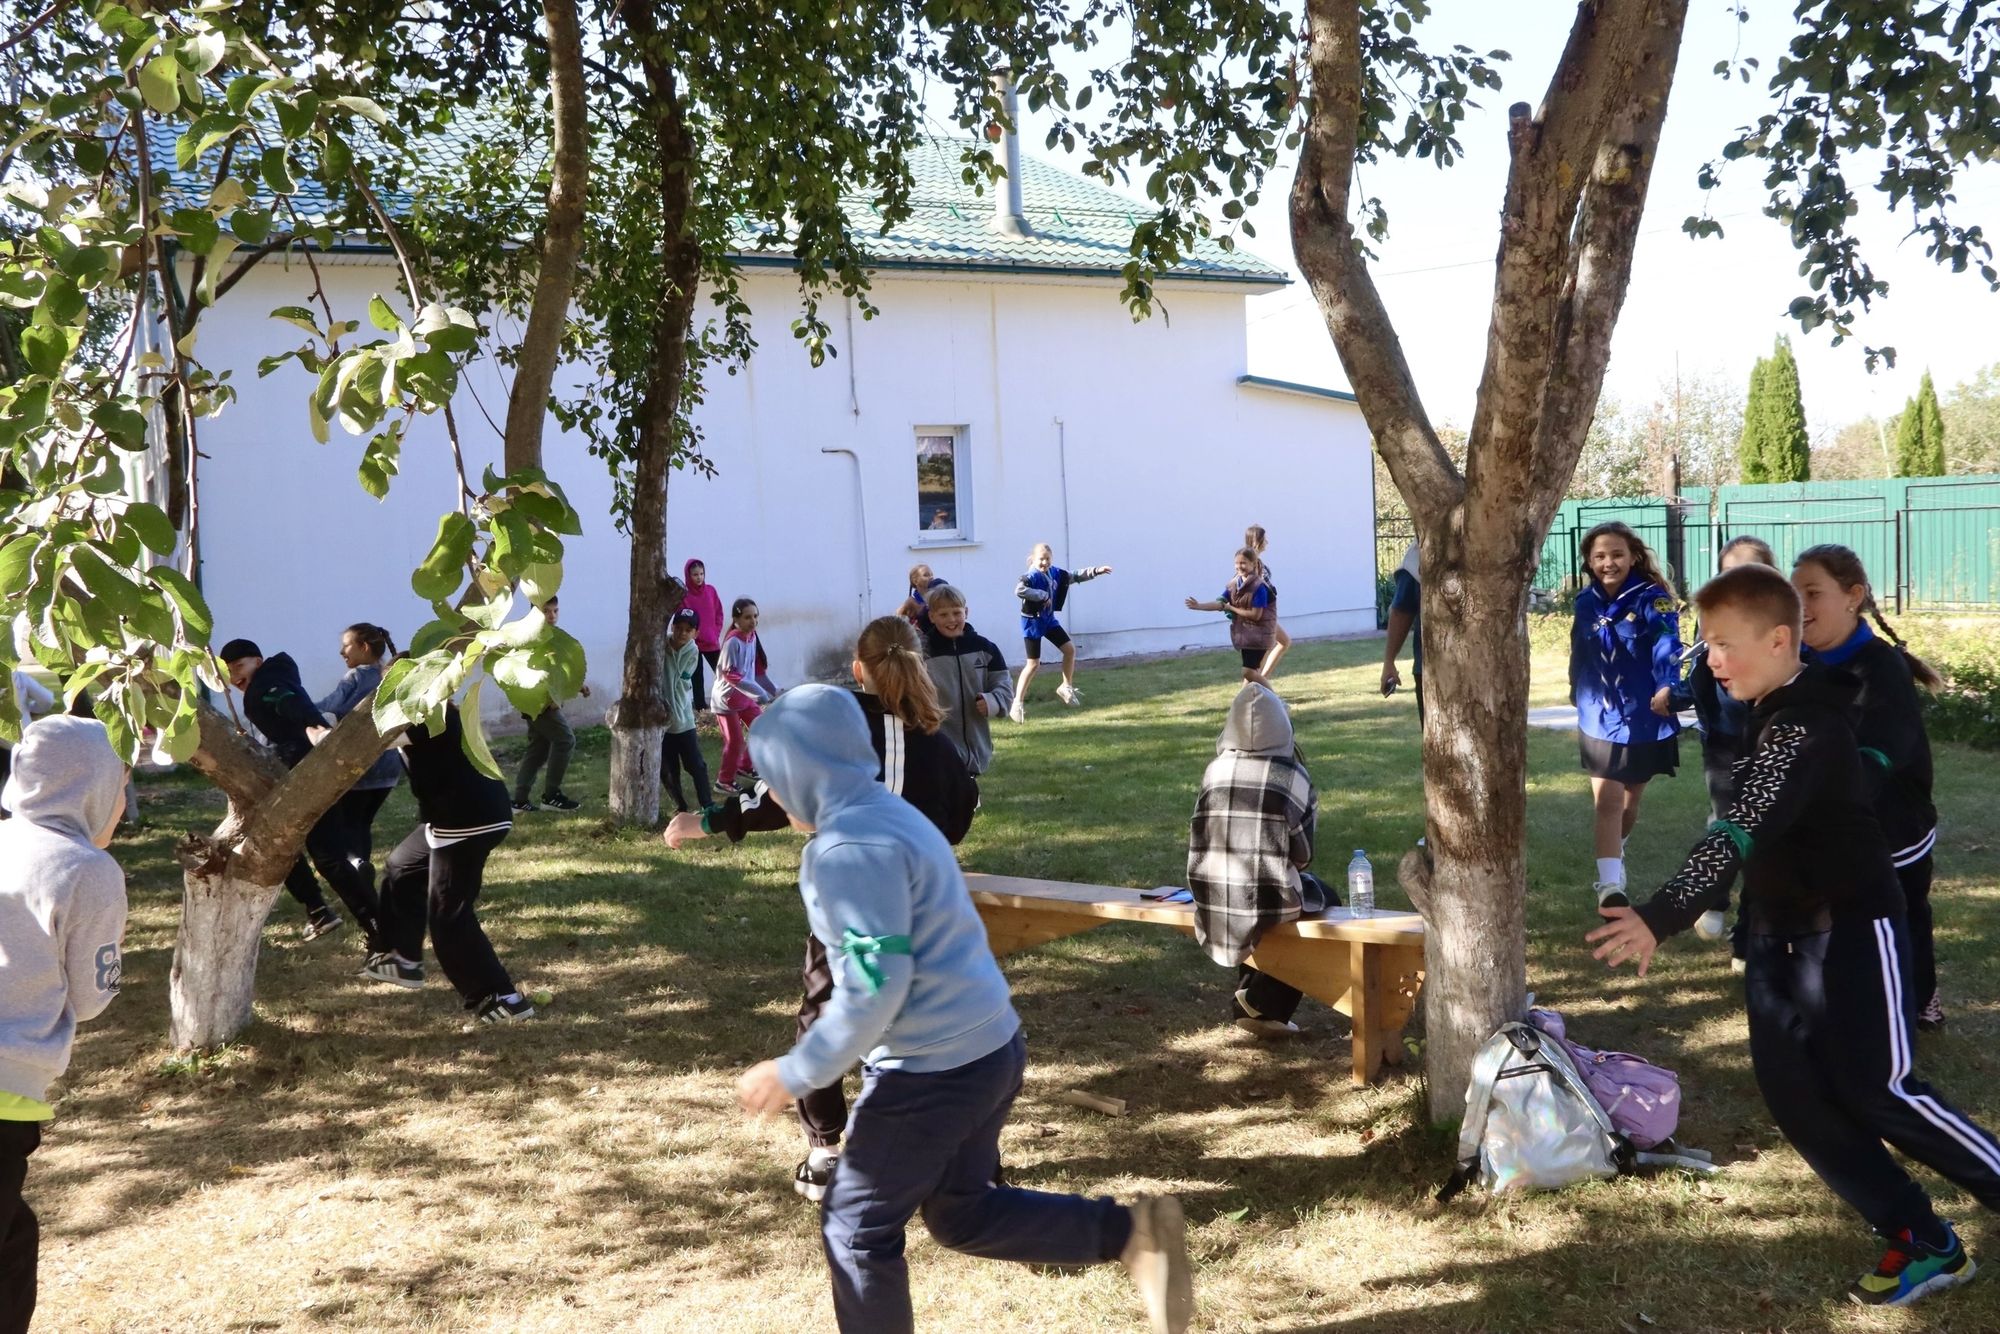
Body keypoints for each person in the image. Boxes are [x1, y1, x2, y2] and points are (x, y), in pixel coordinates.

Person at [1588, 563, 2000, 1310]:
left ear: (1780, 640)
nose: (1711, 660)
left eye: (1724, 644)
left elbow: (1740, 828)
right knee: (1798, 1096)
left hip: (1852, 928)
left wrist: (1663, 912)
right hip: (1777, 933)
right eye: (1706, 644)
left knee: (1881, 1092)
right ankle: (1922, 1237)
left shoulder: (1805, 723)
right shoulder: (1768, 707)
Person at [732, 685, 1193, 1334]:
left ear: (805, 775)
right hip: (991, 1048)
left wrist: (796, 1072)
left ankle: (1129, 1233)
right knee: (961, 1213)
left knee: (855, 1228)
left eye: (774, 777)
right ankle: (1131, 1232)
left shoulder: (844, 853)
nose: (771, 794)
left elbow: (874, 987)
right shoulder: (892, 814)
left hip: (932, 1072)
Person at [666, 616, 977, 1202]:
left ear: (858, 669)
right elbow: (960, 818)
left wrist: (704, 820)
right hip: (929, 909)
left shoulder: (840, 736)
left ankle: (828, 1149)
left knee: (828, 1013)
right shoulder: (940, 744)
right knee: (931, 1024)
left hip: (853, 907)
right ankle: (963, 1154)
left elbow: (777, 794)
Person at [0, 715, 129, 1332]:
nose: (123, 803)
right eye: (121, 786)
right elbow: (91, 996)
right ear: (93, 787)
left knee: (14, 1246)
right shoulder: (87, 870)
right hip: (5, 1092)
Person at [1793, 544, 1946, 1031]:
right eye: (1794, 594)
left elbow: (1881, 753)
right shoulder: (1802, 662)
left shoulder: (1881, 668)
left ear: (1853, 596)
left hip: (1894, 827)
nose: (1800, 605)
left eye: (1812, 592)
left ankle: (1921, 1000)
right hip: (1837, 824)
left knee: (1903, 915)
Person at [361, 701, 533, 1025]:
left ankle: (503, 998)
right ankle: (402, 958)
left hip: (467, 820)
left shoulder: (428, 712)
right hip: (456, 817)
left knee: (449, 916)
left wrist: (316, 729)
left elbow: (370, 742)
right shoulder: (436, 710)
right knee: (401, 866)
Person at [1187, 682, 1333, 1038]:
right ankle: (1264, 1001)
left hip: (1210, 893)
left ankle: (1252, 1002)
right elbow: (1303, 855)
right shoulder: (1292, 776)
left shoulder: (1214, 772)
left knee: (1259, 900)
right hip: (1267, 897)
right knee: (1324, 901)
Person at [219, 638, 379, 943]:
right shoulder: (270, 678)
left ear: (258, 661)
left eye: (239, 666)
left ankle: (378, 926)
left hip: (309, 774)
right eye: (228, 672)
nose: (235, 676)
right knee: (278, 844)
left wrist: (313, 726)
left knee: (326, 857)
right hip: (303, 771)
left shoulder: (267, 684)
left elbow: (288, 702)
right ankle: (322, 911)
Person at [1667, 536, 1775, 957]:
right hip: (1724, 741)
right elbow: (1700, 670)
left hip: (1770, 739)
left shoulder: (1784, 618)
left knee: (1766, 834)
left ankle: (1748, 936)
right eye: (1729, 572)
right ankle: (1714, 899)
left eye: (1748, 570)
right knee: (1727, 821)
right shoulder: (1711, 614)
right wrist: (1675, 698)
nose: (1737, 581)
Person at [1567, 522, 1682, 909]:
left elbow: (1668, 643)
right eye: (1599, 556)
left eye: (1617, 554)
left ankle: (1617, 851)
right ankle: (1609, 886)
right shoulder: (1585, 602)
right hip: (1599, 715)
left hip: (1643, 713)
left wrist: (1667, 685)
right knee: (1608, 802)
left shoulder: (1653, 599)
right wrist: (1574, 686)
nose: (1608, 563)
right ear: (1589, 561)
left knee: (1630, 802)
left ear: (1633, 557)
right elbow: (1579, 648)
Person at [312, 622, 404, 925]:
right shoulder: (387, 674)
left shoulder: (355, 677)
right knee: (363, 821)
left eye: (347, 645)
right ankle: (361, 864)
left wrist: (299, 710)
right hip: (389, 766)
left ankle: (356, 866)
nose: (342, 652)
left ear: (364, 647)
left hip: (359, 765)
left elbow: (330, 706)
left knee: (347, 822)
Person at [1009, 542, 1113, 722]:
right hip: (1033, 623)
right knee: (1033, 664)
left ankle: (1065, 687)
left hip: (1048, 621)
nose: (1045, 563)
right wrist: (1043, 595)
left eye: (1048, 559)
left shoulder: (1055, 573)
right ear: (1033, 559)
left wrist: (1096, 571)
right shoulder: (1030, 576)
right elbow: (1019, 590)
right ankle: (1017, 703)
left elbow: (1073, 576)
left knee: (1069, 650)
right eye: (1041, 559)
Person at [918, 583, 1013, 777]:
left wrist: (992, 702)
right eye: (943, 614)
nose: (951, 620)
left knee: (970, 793)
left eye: (956, 613)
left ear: (966, 612)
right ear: (932, 616)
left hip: (977, 748)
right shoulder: (922, 654)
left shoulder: (986, 649)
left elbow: (1004, 687)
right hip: (938, 748)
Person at [512, 595, 589, 813]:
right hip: (538, 704)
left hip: (540, 703)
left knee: (538, 749)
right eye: (546, 611)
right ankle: (551, 795)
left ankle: (519, 800)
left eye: (555, 611)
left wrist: (576, 686)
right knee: (565, 740)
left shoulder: (552, 636)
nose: (552, 616)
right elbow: (536, 673)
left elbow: (557, 671)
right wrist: (552, 698)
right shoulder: (532, 638)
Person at [1184, 548, 1276, 684]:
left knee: (1248, 672)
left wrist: (1231, 608)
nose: (1239, 566)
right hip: (1247, 635)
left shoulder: (1259, 587)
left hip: (1260, 635)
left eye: (1243, 563)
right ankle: (1256, 696)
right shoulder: (1234, 584)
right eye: (1237, 563)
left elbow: (1255, 615)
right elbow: (1221, 603)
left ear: (1253, 563)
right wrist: (1199, 606)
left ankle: (1273, 697)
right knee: (1251, 675)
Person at [715, 597, 779, 790]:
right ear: (736, 619)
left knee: (762, 728)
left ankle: (745, 766)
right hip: (726, 701)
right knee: (735, 742)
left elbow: (756, 671)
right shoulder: (733, 642)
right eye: (747, 617)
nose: (753, 621)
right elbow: (730, 674)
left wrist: (775, 690)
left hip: (745, 697)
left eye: (755, 616)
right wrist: (759, 693)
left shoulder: (751, 637)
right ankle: (724, 781)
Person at [660, 608, 713, 816]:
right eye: (678, 628)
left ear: (695, 633)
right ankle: (680, 806)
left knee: (696, 765)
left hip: (683, 719)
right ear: (672, 627)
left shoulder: (692, 651)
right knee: (668, 768)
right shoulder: (660, 644)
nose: (682, 633)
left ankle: (707, 804)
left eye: (688, 630)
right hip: (662, 721)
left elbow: (679, 681)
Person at [0, 670, 57, 812]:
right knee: (19, 781)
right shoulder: (18, 677)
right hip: (18, 737)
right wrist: (30, 708)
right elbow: (47, 700)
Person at [1381, 541, 1423, 723]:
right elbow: (1401, 611)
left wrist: (1389, 662)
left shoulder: (1418, 554)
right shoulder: (1417, 555)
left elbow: (1401, 611)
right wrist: (1389, 661)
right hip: (1430, 667)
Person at [1243, 524, 1292, 680]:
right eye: (1265, 539)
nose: (1267, 542)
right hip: (1261, 615)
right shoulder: (1251, 562)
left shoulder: (1256, 561)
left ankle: (1260, 683)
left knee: (1283, 642)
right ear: (1257, 540)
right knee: (1257, 662)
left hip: (1265, 613)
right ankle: (1256, 685)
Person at [682, 558, 725, 713]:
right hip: (693, 643)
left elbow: (719, 613)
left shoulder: (711, 591)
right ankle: (701, 707)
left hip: (711, 641)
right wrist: (689, 636)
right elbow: (682, 617)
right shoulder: (684, 596)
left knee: (723, 673)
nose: (699, 577)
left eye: (701, 574)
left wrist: (716, 632)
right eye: (695, 574)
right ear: (688, 576)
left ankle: (729, 701)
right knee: (697, 677)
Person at [896, 563, 944, 634]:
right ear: (915, 581)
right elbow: (897, 619)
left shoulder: (936, 597)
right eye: (926, 575)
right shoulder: (911, 602)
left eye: (932, 575)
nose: (931, 577)